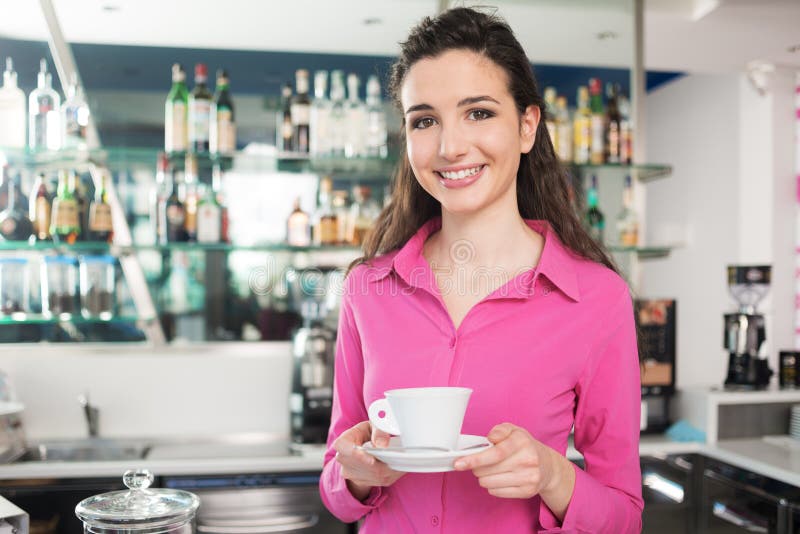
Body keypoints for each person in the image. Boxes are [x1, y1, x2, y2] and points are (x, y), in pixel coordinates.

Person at [319, 6, 643, 533]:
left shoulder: (597, 299)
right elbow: (337, 484)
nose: (450, 147)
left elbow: (625, 516)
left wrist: (554, 476)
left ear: (527, 126)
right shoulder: (367, 290)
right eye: (424, 120)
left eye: (479, 113)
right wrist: (355, 474)